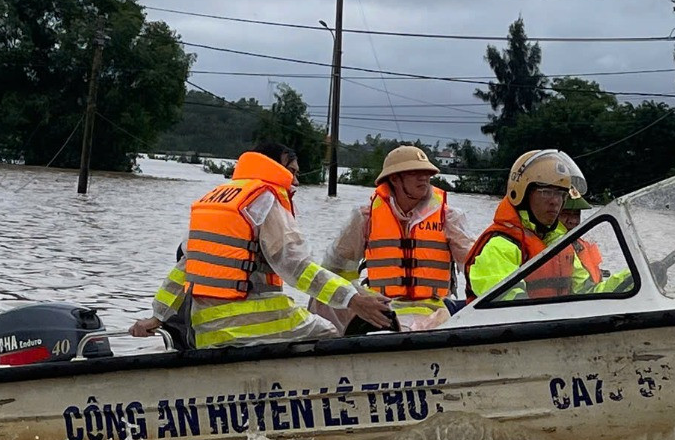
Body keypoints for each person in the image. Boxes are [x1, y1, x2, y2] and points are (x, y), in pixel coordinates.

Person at [130, 141, 394, 348]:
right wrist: (353, 300)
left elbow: (184, 267)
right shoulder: (264, 200)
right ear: (274, 167)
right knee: (327, 332)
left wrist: (158, 316)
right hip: (251, 324)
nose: (297, 182)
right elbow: (298, 269)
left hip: (206, 332)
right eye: (293, 172)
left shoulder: (217, 200)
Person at [321, 145, 477, 331]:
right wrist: (359, 299)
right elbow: (335, 270)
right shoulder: (366, 217)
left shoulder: (449, 218)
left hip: (434, 313)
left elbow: (475, 269)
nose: (424, 177)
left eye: (427, 172)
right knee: (322, 296)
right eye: (415, 172)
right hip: (382, 311)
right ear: (394, 179)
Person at [465, 149, 628, 300]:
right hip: (524, 323)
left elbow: (589, 295)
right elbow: (511, 309)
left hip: (556, 321)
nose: (555, 201)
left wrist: (629, 279)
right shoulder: (499, 247)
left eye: (560, 194)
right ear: (523, 194)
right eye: (546, 192)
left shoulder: (562, 244)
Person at [559, 194, 606, 282]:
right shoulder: (551, 246)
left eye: (576, 214)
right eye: (565, 213)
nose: (573, 220)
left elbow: (594, 285)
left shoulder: (582, 244)